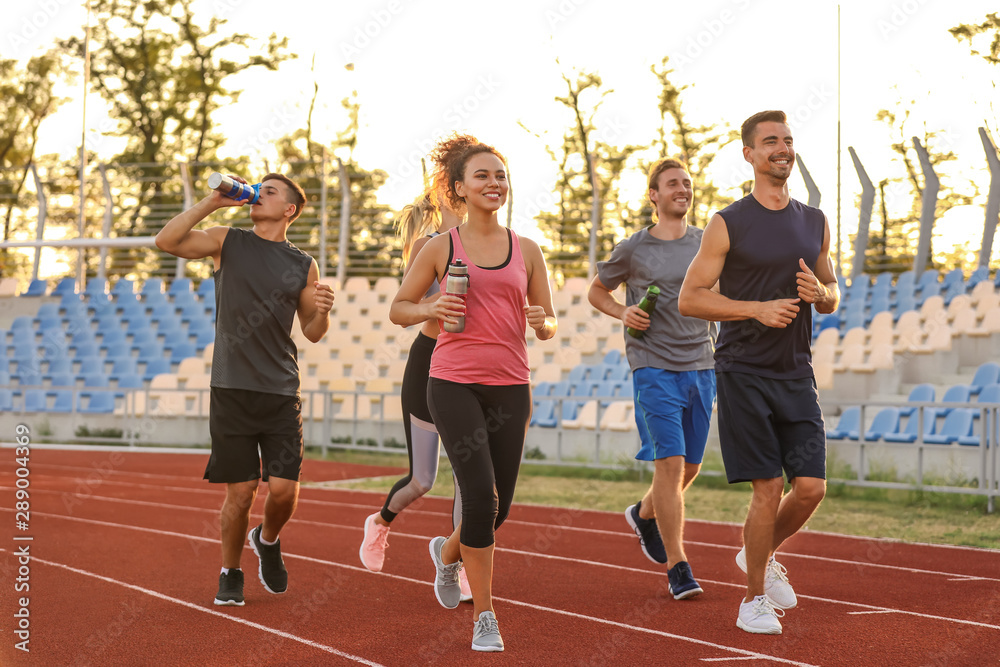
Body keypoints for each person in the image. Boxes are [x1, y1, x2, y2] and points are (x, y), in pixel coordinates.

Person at [389, 134, 556, 652]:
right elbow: (400, 307)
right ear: (459, 188)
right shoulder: (441, 247)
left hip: (512, 385)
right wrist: (430, 310)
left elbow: (548, 321)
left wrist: (542, 321)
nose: (493, 183)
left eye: (500, 175)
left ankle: (446, 554)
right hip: (453, 382)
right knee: (479, 498)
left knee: (495, 509)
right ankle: (485, 615)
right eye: (481, 175)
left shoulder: (528, 249)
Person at [678, 110, 840, 635]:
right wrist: (755, 309)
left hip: (796, 372)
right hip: (743, 369)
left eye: (788, 140)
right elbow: (690, 299)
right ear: (748, 154)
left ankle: (758, 553)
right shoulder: (729, 221)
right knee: (768, 487)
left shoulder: (814, 220)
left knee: (811, 488)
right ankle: (752, 602)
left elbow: (832, 293)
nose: (782, 148)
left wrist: (823, 294)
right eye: (770, 141)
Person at [155, 172, 334, 607]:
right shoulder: (226, 240)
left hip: (280, 391)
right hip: (231, 387)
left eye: (269, 191)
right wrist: (213, 201)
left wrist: (323, 311)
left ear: (289, 209)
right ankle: (230, 570)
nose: (258, 194)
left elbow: (312, 332)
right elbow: (167, 241)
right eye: (259, 188)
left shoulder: (303, 264)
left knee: (284, 491)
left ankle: (267, 539)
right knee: (240, 491)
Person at [588, 158, 716, 601]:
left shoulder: (707, 244)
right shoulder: (634, 248)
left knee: (692, 466)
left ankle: (644, 514)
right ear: (654, 196)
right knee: (671, 464)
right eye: (672, 184)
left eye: (687, 182)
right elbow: (596, 290)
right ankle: (678, 565)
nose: (682, 188)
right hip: (653, 365)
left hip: (702, 363)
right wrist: (624, 311)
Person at [359, 188, 473, 602]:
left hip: (469, 365)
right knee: (423, 479)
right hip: (429, 360)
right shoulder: (429, 246)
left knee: (467, 476)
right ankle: (380, 523)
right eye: (459, 197)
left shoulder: (493, 244)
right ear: (445, 201)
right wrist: (439, 304)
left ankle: (456, 564)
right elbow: (406, 308)